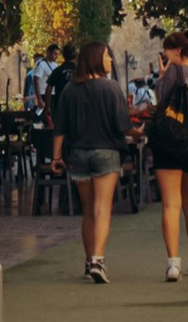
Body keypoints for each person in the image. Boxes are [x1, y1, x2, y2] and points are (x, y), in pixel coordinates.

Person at [50, 40, 134, 285]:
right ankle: (98, 260)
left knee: (87, 211)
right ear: (98, 59)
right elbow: (124, 126)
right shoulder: (111, 89)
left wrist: (56, 157)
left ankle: (89, 261)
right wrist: (139, 132)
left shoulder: (69, 90)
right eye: (107, 56)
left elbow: (60, 128)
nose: (110, 60)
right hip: (106, 152)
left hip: (77, 154)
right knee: (102, 208)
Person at [147, 34, 188, 282]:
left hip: (170, 142)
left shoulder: (174, 72)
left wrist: (162, 76)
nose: (165, 57)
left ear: (175, 51)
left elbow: (160, 100)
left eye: (166, 52)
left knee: (171, 204)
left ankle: (173, 264)